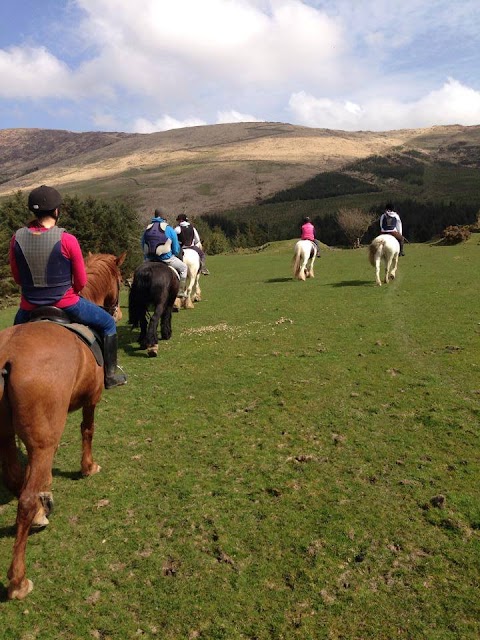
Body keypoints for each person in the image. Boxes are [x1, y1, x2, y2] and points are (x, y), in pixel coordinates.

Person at [9, 185, 127, 389]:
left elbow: (18, 278)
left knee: (12, 338)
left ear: (33, 211)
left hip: (28, 308)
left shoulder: (16, 239)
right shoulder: (67, 239)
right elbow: (81, 282)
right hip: (67, 304)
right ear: (56, 211)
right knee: (108, 323)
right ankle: (109, 376)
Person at [141, 207, 188, 296]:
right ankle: (181, 291)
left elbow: (142, 244)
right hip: (166, 259)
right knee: (184, 268)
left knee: (138, 272)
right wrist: (173, 253)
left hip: (149, 259)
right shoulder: (169, 229)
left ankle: (133, 282)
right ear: (164, 216)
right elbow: (176, 249)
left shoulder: (147, 228)